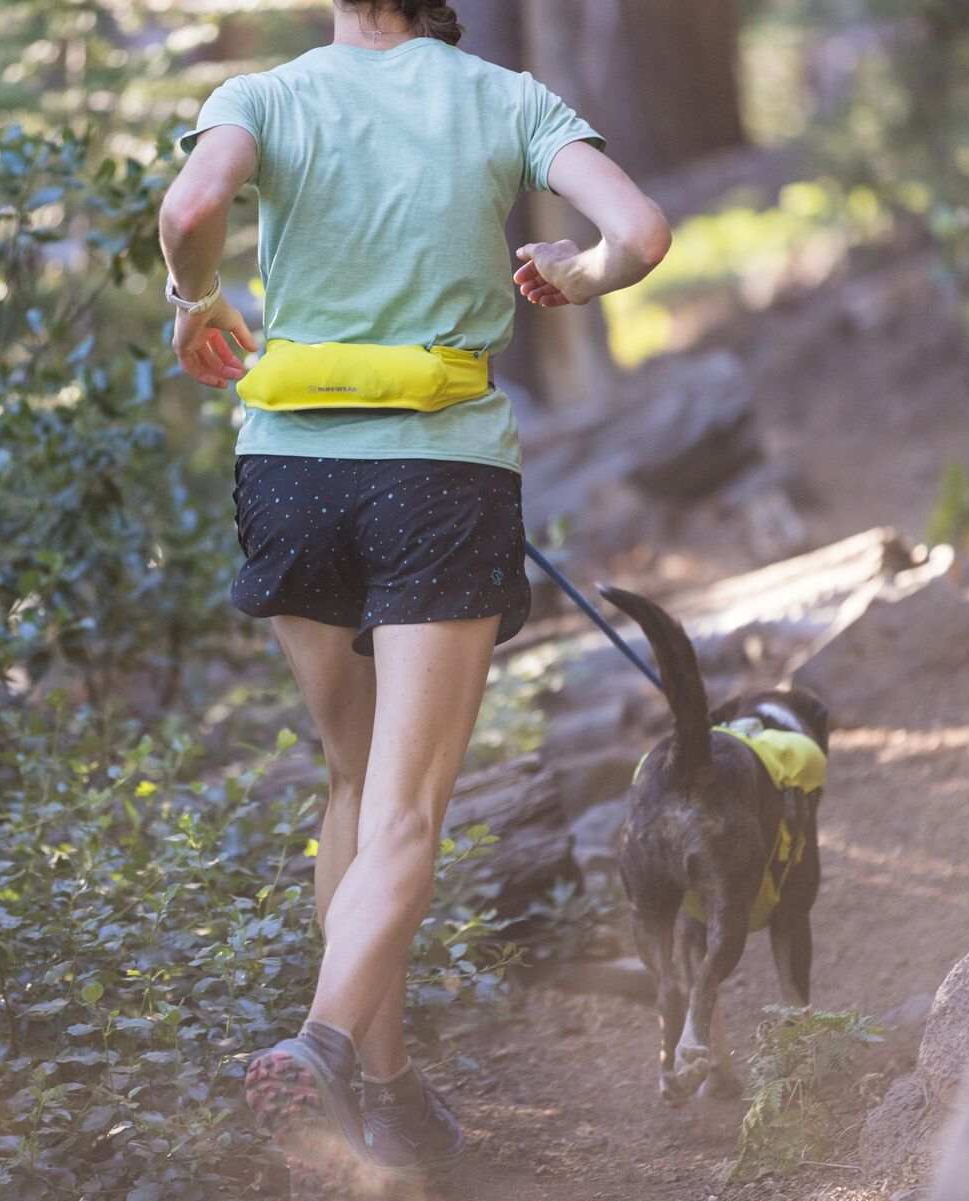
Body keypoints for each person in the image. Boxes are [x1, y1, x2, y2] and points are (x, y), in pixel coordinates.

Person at [159, 1, 669, 1192]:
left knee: (350, 781)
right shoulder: (503, 96)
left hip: (289, 466)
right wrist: (576, 276)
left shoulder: (269, 95)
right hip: (438, 472)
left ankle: (382, 1097)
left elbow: (191, 211)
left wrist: (197, 302)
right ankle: (325, 1046)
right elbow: (640, 234)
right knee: (406, 808)